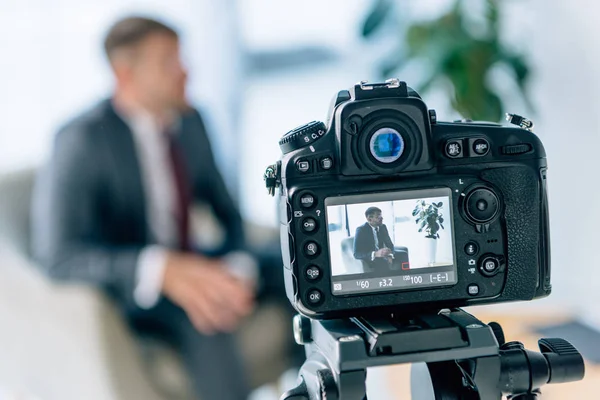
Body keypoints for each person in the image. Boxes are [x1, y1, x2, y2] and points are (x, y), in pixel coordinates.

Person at [31, 16, 291, 400]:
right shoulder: (81, 140)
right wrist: (163, 269)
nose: (185, 71)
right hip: (138, 285)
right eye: (168, 61)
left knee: (296, 267)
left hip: (197, 259)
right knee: (205, 312)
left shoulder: (192, 121)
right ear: (125, 74)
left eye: (181, 58)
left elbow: (228, 215)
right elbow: (60, 256)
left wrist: (237, 266)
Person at [353, 207, 395, 272]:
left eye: (381, 215)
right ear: (369, 218)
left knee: (403, 254)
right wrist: (375, 254)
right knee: (382, 262)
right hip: (371, 258)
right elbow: (357, 254)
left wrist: (390, 255)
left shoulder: (383, 227)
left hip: (383, 255)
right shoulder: (361, 230)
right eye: (378, 215)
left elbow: (390, 244)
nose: (381, 217)